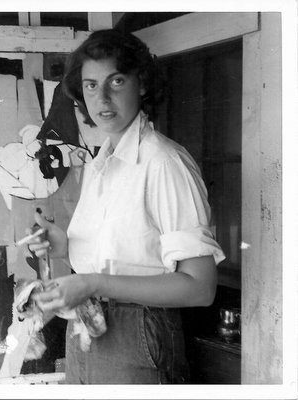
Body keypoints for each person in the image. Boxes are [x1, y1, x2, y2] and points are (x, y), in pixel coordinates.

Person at [26, 29, 225, 384]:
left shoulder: (163, 162)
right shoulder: (103, 160)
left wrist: (89, 283)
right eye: (90, 85)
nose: (101, 97)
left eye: (115, 81)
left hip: (139, 333)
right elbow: (122, 254)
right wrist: (65, 246)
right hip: (88, 327)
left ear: (142, 84)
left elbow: (199, 287)